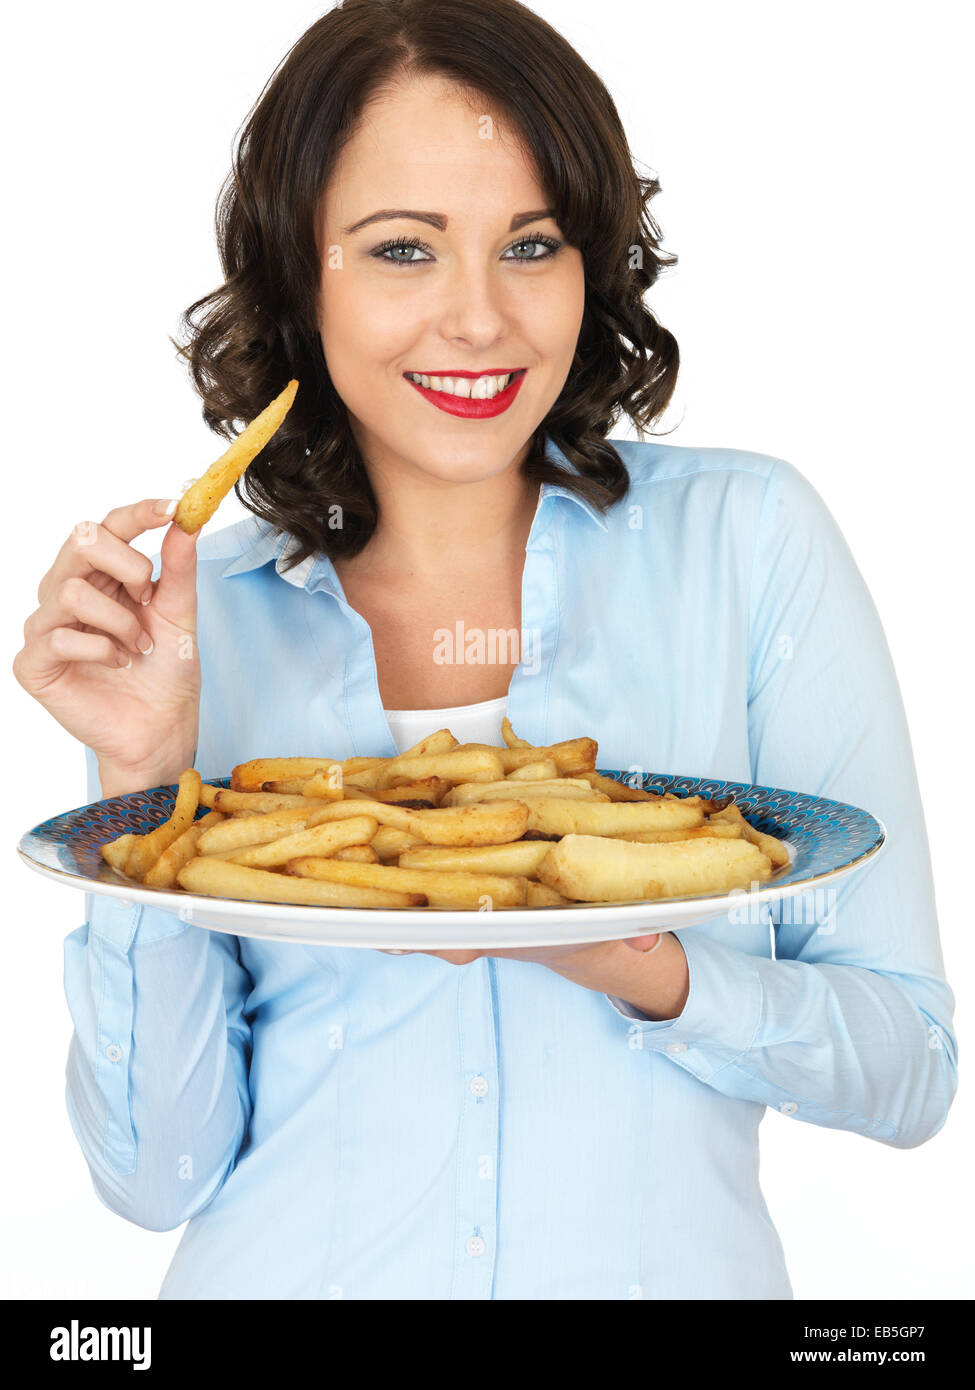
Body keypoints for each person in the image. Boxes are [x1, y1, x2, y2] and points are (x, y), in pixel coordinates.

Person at [13, 0, 956, 1300]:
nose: (477, 319)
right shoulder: (192, 621)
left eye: (530, 244)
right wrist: (139, 765)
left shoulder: (752, 543)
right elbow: (152, 1174)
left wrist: (628, 952)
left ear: (591, 261)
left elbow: (907, 1062)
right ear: (302, 274)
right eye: (403, 249)